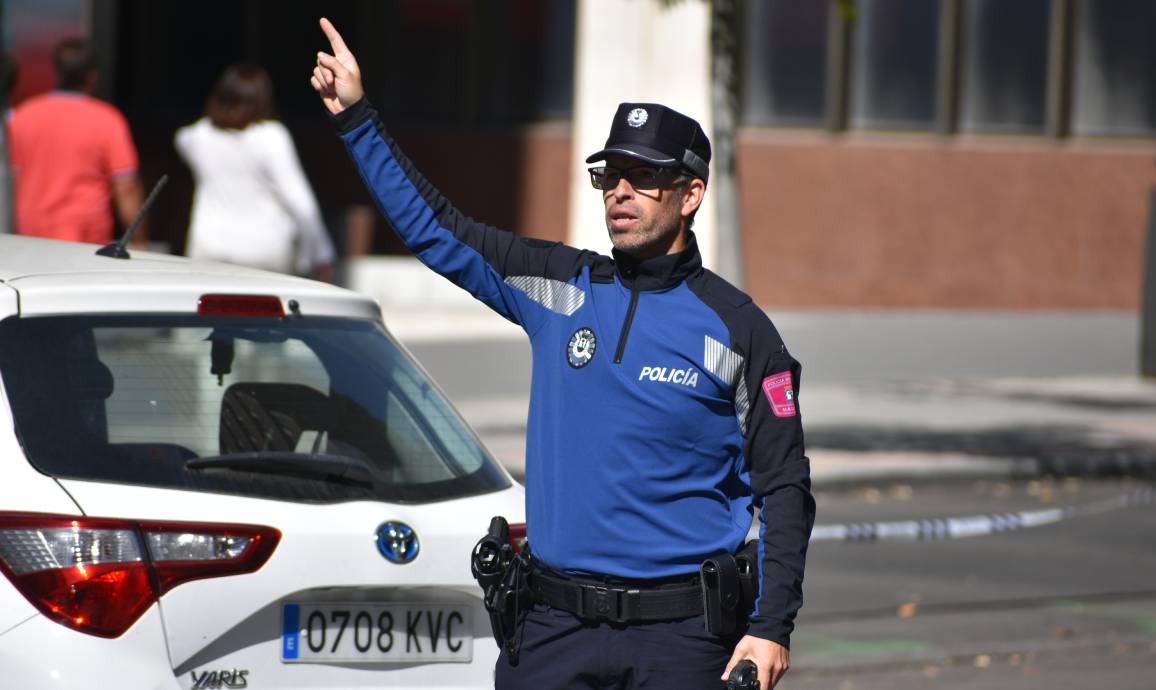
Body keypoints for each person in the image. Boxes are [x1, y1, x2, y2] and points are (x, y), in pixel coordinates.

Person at [312, 17, 814, 690]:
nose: (620, 192)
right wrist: (357, 118)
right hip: (551, 629)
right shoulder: (557, 285)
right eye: (610, 176)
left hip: (684, 640)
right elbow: (437, 231)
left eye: (644, 177)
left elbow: (784, 489)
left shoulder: (740, 329)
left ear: (692, 194)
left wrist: (769, 626)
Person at [176, 63, 335, 280]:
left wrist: (220, 115)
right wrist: (321, 255)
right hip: (266, 250)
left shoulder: (198, 137)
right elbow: (299, 199)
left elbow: (182, 138)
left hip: (210, 246)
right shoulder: (271, 136)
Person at [8, 38, 146, 245]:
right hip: (84, 241)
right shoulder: (107, 120)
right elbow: (125, 187)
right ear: (92, 77)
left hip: (30, 237)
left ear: (57, 71)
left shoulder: (22, 116)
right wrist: (139, 240)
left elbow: (11, 180)